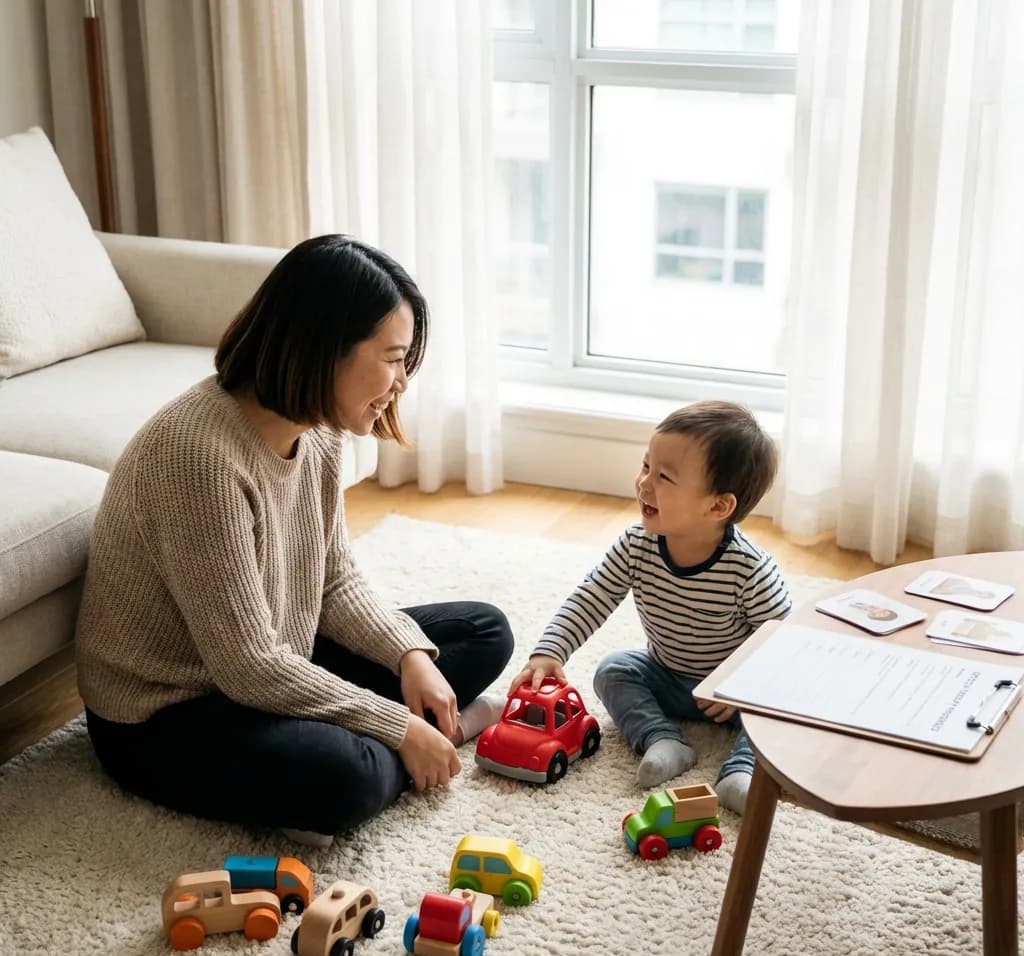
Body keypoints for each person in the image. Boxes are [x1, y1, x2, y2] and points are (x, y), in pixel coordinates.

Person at [76, 234, 513, 848]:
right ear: (325, 349)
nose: (402, 382)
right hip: (166, 713)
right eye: (391, 358)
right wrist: (396, 725)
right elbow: (247, 666)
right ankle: (426, 740)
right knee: (346, 780)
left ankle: (407, 737)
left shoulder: (320, 430)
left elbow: (333, 577)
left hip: (276, 661)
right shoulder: (195, 457)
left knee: (482, 631)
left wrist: (408, 656)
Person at [509, 401, 791, 814]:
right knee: (613, 670)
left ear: (718, 507)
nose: (643, 484)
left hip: (735, 693)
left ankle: (741, 770)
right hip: (668, 675)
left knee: (783, 708)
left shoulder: (748, 568)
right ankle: (663, 739)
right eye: (645, 466)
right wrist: (550, 651)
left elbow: (782, 641)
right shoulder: (636, 545)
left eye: (663, 477)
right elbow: (592, 596)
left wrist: (740, 686)